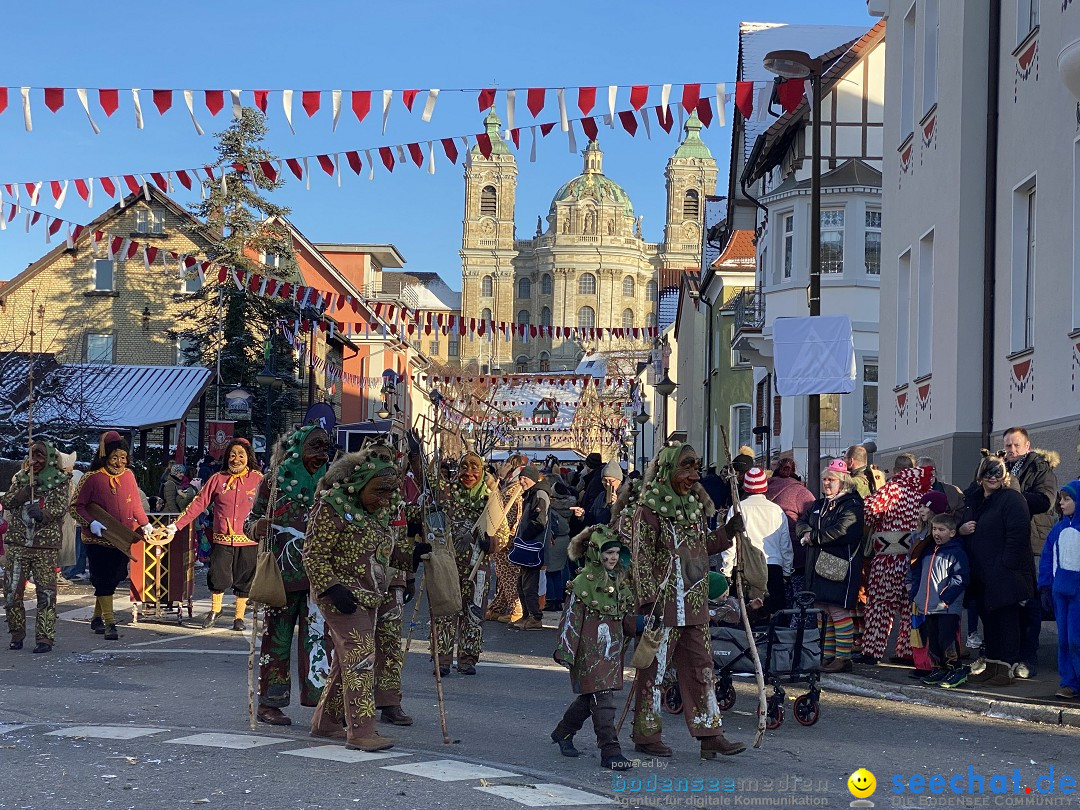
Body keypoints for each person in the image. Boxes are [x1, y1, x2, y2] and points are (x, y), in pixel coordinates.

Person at [630, 442, 746, 759]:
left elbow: (700, 546)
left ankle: (710, 734)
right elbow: (640, 561)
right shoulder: (648, 511)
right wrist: (647, 605)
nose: (694, 476)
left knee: (702, 670)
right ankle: (646, 734)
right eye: (687, 468)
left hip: (695, 606)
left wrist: (726, 533)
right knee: (653, 672)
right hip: (662, 608)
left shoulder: (693, 508)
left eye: (696, 468)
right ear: (668, 470)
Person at [304, 449, 404, 751]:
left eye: (390, 492)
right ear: (360, 482)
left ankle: (326, 723)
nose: (385, 499)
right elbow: (314, 554)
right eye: (379, 492)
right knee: (361, 655)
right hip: (340, 595)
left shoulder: (379, 512)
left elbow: (381, 552)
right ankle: (361, 731)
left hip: (371, 594)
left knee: (347, 660)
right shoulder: (330, 507)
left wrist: (411, 555)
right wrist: (333, 588)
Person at [245, 426, 331, 725]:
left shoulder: (333, 483)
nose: (322, 453)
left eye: (325, 447)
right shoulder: (274, 482)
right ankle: (270, 703)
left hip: (320, 578)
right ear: (296, 448)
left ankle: (322, 705)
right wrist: (257, 527)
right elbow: (250, 521)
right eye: (315, 446)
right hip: (280, 577)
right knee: (276, 640)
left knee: (320, 641)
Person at [551, 525, 636, 770]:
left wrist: (644, 622)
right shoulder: (581, 583)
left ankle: (563, 732)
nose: (612, 558)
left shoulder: (619, 583)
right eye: (607, 552)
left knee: (592, 698)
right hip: (587, 652)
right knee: (603, 700)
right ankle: (610, 752)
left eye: (616, 553)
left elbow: (625, 619)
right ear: (595, 553)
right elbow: (570, 619)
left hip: (611, 652)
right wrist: (565, 651)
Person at [166, 438, 263, 631]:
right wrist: (176, 526)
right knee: (218, 575)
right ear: (227, 457)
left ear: (248, 457)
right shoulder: (217, 479)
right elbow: (197, 504)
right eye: (233, 455)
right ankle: (215, 609)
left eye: (241, 455)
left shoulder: (258, 479)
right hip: (223, 538)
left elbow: (270, 505)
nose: (237, 459)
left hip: (249, 540)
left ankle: (239, 617)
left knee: (245, 578)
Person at [72, 431, 155, 641]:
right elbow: (75, 507)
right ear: (105, 456)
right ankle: (110, 623)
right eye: (115, 457)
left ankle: (97, 617)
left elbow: (135, 504)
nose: (119, 462)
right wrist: (92, 522)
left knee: (115, 576)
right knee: (103, 578)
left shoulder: (129, 476)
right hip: (97, 538)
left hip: (122, 538)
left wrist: (145, 524)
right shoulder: (92, 478)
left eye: (123, 457)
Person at [432, 451, 509, 675]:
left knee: (474, 611)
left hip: (478, 568)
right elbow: (430, 495)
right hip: (448, 564)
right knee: (445, 610)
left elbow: (503, 533)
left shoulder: (490, 499)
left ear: (482, 471)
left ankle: (468, 658)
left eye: (474, 469)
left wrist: (491, 543)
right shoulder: (448, 495)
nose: (469, 473)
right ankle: (442, 659)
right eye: (464, 468)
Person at [961, 453, 1034, 687]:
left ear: (1004, 476)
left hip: (1005, 573)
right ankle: (992, 664)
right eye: (988, 472)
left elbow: (1018, 535)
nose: (993, 477)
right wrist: (962, 530)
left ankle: (1005, 668)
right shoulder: (975, 499)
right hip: (981, 573)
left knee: (1007, 620)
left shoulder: (1012, 499)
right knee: (989, 620)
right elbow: (960, 522)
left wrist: (1007, 565)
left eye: (998, 472)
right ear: (980, 475)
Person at [859, 465, 934, 665]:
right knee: (908, 607)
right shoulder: (924, 494)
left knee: (880, 605)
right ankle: (908, 651)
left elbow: (868, 509)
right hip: (913, 559)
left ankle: (872, 651)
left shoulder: (894, 489)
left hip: (888, 559)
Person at [796, 459, 865, 673]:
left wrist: (812, 537)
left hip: (840, 565)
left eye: (831, 480)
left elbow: (844, 531)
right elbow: (801, 522)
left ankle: (843, 657)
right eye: (825, 479)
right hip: (817, 565)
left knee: (837, 610)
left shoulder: (852, 505)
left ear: (843, 482)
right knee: (822, 611)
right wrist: (805, 534)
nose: (826, 483)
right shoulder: (819, 504)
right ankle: (826, 655)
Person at [2, 441, 71, 652]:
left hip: (45, 546)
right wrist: (24, 492)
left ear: (49, 458)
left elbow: (60, 507)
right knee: (12, 592)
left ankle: (44, 637)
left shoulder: (59, 481)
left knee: (46, 594)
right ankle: (16, 633)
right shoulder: (22, 478)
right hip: (18, 543)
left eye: (40, 456)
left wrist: (43, 514)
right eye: (33, 456)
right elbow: (8, 502)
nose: (35, 461)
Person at [1002, 427, 1059, 679]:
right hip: (1006, 542)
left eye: (1016, 446)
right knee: (1010, 598)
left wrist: (1013, 494)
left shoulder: (1039, 468)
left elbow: (1045, 500)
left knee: (1031, 600)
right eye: (1008, 446)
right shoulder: (998, 466)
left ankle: (1029, 655)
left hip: (1033, 541)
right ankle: (1008, 653)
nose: (1011, 450)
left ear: (1027, 446)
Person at [906, 513, 970, 688]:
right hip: (928, 605)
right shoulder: (927, 551)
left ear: (952, 532)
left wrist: (946, 597)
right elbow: (918, 574)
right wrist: (916, 595)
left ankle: (955, 669)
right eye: (934, 529)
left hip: (946, 606)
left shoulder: (956, 552)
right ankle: (939, 667)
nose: (937, 533)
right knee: (932, 638)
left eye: (942, 530)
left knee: (946, 637)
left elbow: (960, 578)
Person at [725, 467, 792, 617]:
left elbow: (730, 543)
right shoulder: (777, 510)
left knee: (746, 617)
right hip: (773, 568)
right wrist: (786, 572)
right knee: (774, 620)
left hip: (745, 568)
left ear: (745, 487)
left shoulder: (737, 509)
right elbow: (785, 545)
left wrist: (727, 570)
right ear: (765, 487)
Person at [1038, 480, 1080, 699]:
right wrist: (1045, 586)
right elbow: (1048, 559)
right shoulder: (1059, 528)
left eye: (1067, 499)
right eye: (1061, 499)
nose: (1061, 503)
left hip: (1078, 593)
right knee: (1064, 640)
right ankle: (1069, 682)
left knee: (1077, 639)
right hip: (1060, 592)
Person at [907, 490, 952, 676]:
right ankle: (921, 665)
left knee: (933, 628)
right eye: (920, 505)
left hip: (935, 589)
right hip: (918, 587)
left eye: (926, 506)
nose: (921, 509)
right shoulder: (917, 535)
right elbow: (910, 562)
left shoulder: (941, 537)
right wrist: (908, 582)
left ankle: (934, 664)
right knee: (918, 627)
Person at [766, 458, 816, 610]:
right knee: (800, 596)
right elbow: (814, 517)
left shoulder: (765, 489)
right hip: (796, 553)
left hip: (768, 554)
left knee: (780, 598)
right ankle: (797, 627)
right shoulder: (800, 492)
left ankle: (779, 625)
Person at [509, 466, 550, 631]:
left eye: (524, 478)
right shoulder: (531, 494)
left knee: (529, 585)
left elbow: (540, 521)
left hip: (533, 547)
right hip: (527, 545)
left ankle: (535, 617)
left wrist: (524, 537)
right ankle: (526, 615)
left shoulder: (539, 495)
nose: (521, 481)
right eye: (520, 478)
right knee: (521, 583)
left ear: (532, 478)